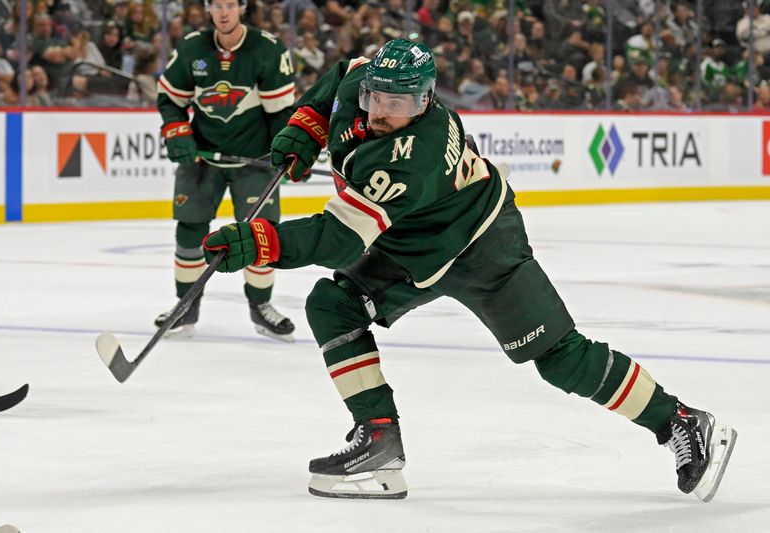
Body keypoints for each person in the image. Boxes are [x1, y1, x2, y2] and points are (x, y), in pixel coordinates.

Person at [201, 39, 737, 500]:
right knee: (332, 303)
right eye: (377, 98)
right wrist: (308, 122)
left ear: (426, 99)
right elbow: (343, 71)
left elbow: (339, 238)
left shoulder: (415, 151)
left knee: (558, 357)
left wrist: (258, 241)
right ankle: (379, 442)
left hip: (483, 244)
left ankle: (680, 421)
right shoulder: (364, 82)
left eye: (400, 102)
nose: (383, 110)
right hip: (410, 245)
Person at [155, 0, 297, 341]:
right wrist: (177, 131)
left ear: (242, 8)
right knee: (189, 231)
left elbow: (281, 113)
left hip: (254, 160)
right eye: (216, 5)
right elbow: (170, 99)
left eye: (230, 5)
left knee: (261, 234)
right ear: (208, 8)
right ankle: (184, 307)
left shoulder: (267, 49)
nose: (223, 12)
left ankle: (261, 306)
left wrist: (287, 149)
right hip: (202, 159)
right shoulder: (192, 48)